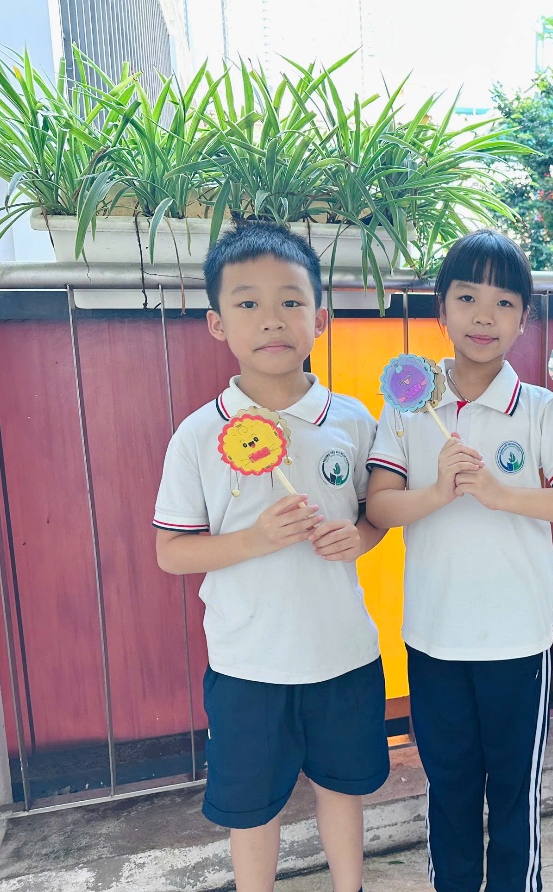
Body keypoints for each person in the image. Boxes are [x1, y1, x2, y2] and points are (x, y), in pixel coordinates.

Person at [365, 229, 553, 892]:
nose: (483, 315)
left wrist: (502, 495)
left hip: (517, 640)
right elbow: (379, 507)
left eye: (503, 303)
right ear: (441, 309)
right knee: (448, 787)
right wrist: (438, 492)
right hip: (433, 636)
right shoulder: (409, 406)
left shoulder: (541, 410)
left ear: (523, 319)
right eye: (467, 297)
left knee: (512, 791)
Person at [153, 222, 388, 892]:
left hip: (343, 654)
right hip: (247, 664)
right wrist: (255, 539)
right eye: (248, 303)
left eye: (290, 301)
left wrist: (359, 537)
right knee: (252, 811)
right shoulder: (199, 434)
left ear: (320, 317)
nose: (271, 319)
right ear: (217, 323)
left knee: (344, 790)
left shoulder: (351, 421)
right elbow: (171, 552)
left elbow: (376, 516)